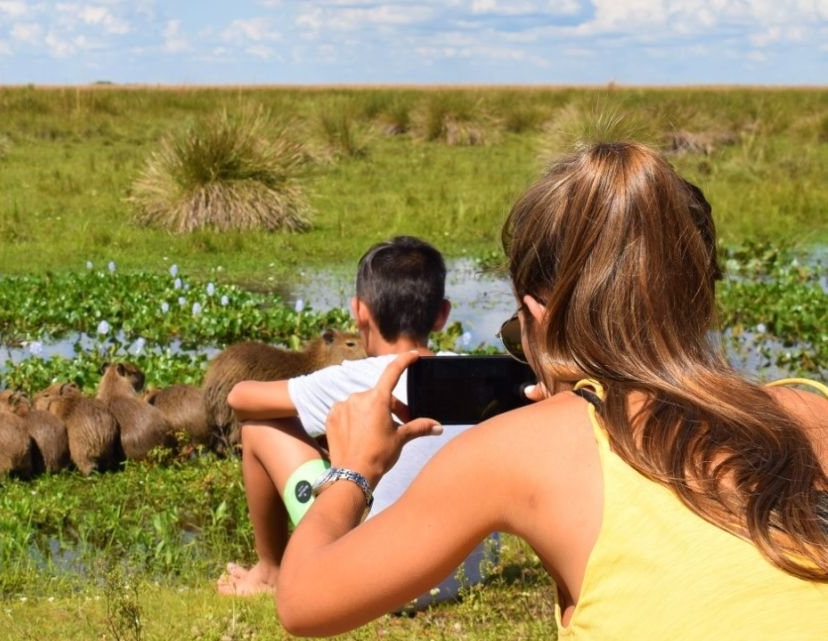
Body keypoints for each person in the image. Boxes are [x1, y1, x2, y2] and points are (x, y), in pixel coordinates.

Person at [274, 141, 828, 639]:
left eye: (518, 335)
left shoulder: (515, 450)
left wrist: (352, 472)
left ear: (539, 315)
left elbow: (304, 602)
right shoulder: (812, 413)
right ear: (700, 297)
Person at [217, 235, 465, 596]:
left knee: (259, 426)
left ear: (359, 311)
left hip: (366, 584)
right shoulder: (473, 377)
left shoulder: (352, 378)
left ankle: (270, 570)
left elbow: (239, 397)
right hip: (460, 578)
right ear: (442, 314)